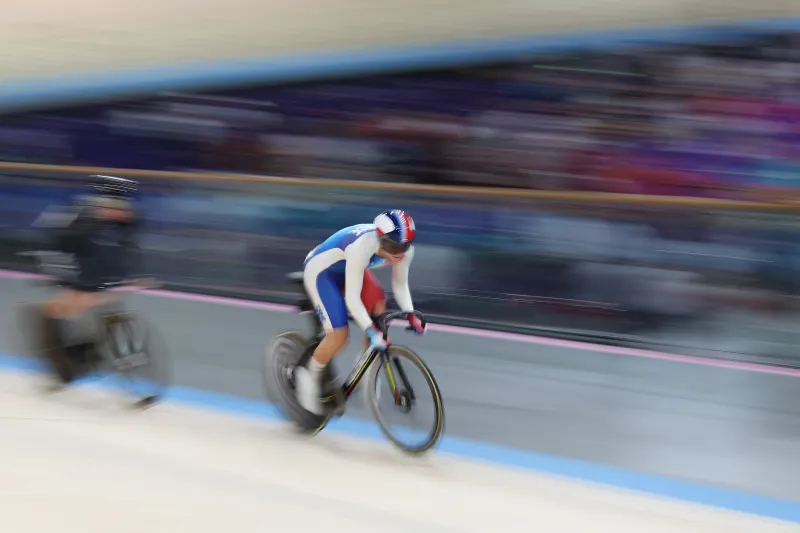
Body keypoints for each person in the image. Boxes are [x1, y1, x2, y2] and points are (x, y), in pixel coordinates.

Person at [295, 209, 426, 415]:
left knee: (379, 309)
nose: (399, 253)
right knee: (339, 337)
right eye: (393, 246)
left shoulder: (403, 251)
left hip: (350, 269)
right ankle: (308, 377)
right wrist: (371, 331)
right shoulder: (362, 247)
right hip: (322, 273)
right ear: (380, 238)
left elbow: (400, 286)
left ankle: (365, 371)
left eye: (404, 246)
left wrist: (410, 314)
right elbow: (353, 300)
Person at [30, 174, 145, 383]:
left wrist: (135, 275)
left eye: (122, 205)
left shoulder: (129, 219)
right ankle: (59, 345)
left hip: (89, 259)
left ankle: (87, 345)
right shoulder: (83, 216)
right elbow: (67, 251)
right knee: (78, 301)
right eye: (112, 205)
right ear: (100, 202)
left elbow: (126, 248)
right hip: (66, 255)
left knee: (98, 299)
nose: (119, 210)